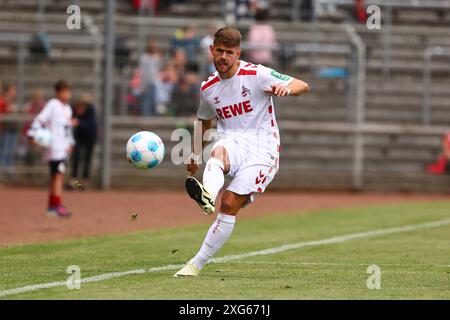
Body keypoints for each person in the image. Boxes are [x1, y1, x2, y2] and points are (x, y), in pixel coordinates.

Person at [174, 27, 309, 277]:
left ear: (238, 53)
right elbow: (204, 122)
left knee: (229, 204)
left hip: (262, 148)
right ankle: (207, 196)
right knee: (217, 155)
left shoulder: (257, 74)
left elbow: (302, 85)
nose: (223, 57)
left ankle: (196, 264)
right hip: (232, 140)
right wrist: (194, 153)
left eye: (229, 52)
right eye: (219, 51)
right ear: (211, 50)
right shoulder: (208, 88)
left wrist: (286, 89)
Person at [28, 80, 75, 218]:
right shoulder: (53, 105)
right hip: (55, 148)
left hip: (63, 148)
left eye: (68, 91)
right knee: (58, 177)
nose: (67, 94)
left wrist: (70, 142)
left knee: (57, 176)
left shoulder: (67, 109)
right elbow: (39, 119)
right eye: (64, 91)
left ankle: (52, 206)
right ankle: (56, 206)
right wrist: (32, 134)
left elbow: (67, 129)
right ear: (58, 92)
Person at [70, 95, 97, 189]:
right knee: (76, 157)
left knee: (87, 159)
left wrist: (79, 122)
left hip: (90, 136)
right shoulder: (73, 109)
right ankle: (75, 182)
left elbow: (92, 125)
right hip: (79, 136)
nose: (79, 110)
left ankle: (85, 182)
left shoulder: (91, 110)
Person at [139, 40, 161, 116]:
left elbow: (157, 69)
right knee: (146, 100)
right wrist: (143, 84)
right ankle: (145, 116)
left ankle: (152, 116)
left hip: (154, 82)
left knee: (153, 100)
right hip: (146, 81)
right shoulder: (144, 57)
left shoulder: (156, 57)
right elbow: (143, 71)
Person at [0, 83, 18, 167]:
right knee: (5, 151)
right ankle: (3, 170)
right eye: (12, 90)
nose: (14, 92)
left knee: (10, 151)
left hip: (11, 129)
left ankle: (7, 169)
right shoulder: (2, 100)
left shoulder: (11, 102)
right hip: (4, 130)